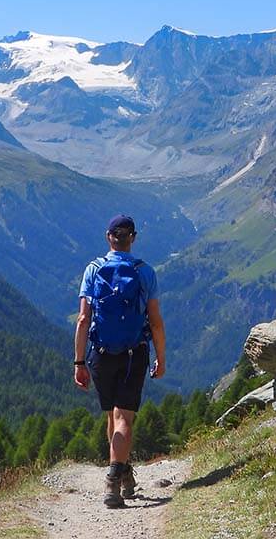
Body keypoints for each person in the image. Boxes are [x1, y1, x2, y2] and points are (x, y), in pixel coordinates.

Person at [73, 214, 166, 509]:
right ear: (133, 238)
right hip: (132, 354)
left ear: (108, 237)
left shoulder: (93, 269)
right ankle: (114, 481)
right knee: (124, 417)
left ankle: (123, 475)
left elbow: (83, 319)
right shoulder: (144, 272)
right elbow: (156, 323)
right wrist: (160, 358)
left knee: (111, 416)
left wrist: (78, 362)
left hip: (100, 354)